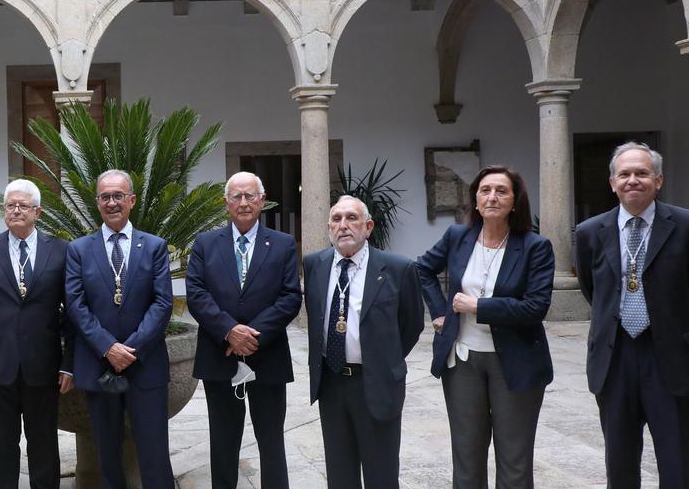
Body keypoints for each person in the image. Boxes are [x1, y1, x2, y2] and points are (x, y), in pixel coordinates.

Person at [415, 166, 554, 488]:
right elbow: (422, 269)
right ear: (475, 200)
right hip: (463, 361)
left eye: (501, 191)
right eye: (485, 190)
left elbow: (536, 307)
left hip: (516, 362)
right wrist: (440, 312)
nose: (492, 197)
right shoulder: (457, 237)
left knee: (514, 461)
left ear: (515, 201)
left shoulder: (535, 246)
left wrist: (478, 306)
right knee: (466, 459)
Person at [574, 142, 689, 488]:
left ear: (658, 180)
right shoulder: (589, 233)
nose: (633, 180)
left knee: (676, 462)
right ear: (612, 182)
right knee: (620, 461)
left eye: (642, 173)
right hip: (615, 357)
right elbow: (593, 288)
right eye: (625, 174)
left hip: (670, 357)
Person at [185, 171, 301, 489]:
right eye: (236, 196)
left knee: (271, 440)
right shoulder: (206, 244)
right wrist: (229, 331)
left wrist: (251, 335)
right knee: (223, 441)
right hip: (219, 356)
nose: (243, 202)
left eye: (250, 195)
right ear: (226, 203)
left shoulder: (282, 244)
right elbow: (195, 292)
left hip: (268, 356)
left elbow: (291, 296)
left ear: (262, 201)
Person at [0, 179, 74, 488]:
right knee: (2, 444)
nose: (16, 211)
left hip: (44, 364)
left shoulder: (60, 251)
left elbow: (73, 314)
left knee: (44, 444)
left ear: (37, 211)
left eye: (23, 206)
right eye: (11, 206)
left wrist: (69, 363)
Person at [302, 195, 422, 489]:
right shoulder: (314, 264)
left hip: (376, 382)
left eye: (352, 218)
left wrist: (381, 357)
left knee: (381, 475)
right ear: (329, 227)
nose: (344, 225)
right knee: (339, 475)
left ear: (368, 227)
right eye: (337, 219)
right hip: (331, 385)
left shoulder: (398, 268)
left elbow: (412, 325)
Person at [65, 169, 175, 488]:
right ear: (97, 202)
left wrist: (132, 349)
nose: (112, 203)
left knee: (154, 451)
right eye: (105, 197)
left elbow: (162, 303)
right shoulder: (79, 250)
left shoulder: (154, 246)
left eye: (118, 196)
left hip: (146, 364)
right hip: (99, 364)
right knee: (106, 453)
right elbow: (75, 304)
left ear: (132, 200)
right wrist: (108, 347)